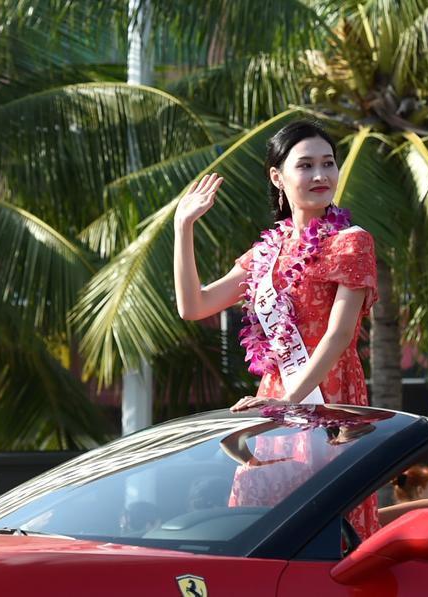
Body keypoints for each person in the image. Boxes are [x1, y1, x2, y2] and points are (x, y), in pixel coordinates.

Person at [174, 120, 379, 538]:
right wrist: (183, 227)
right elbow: (194, 306)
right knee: (265, 525)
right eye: (305, 165)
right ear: (277, 177)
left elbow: (339, 336)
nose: (321, 175)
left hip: (328, 397)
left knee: (328, 531)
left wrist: (285, 404)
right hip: (274, 400)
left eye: (328, 163)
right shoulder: (267, 253)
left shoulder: (352, 242)